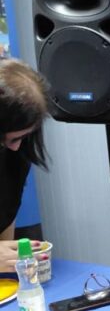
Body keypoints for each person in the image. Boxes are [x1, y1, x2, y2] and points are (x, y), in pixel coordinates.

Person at [0, 58, 50, 271]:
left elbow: (5, 216)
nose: (15, 147)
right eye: (8, 139)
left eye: (22, 137)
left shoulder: (15, 157)